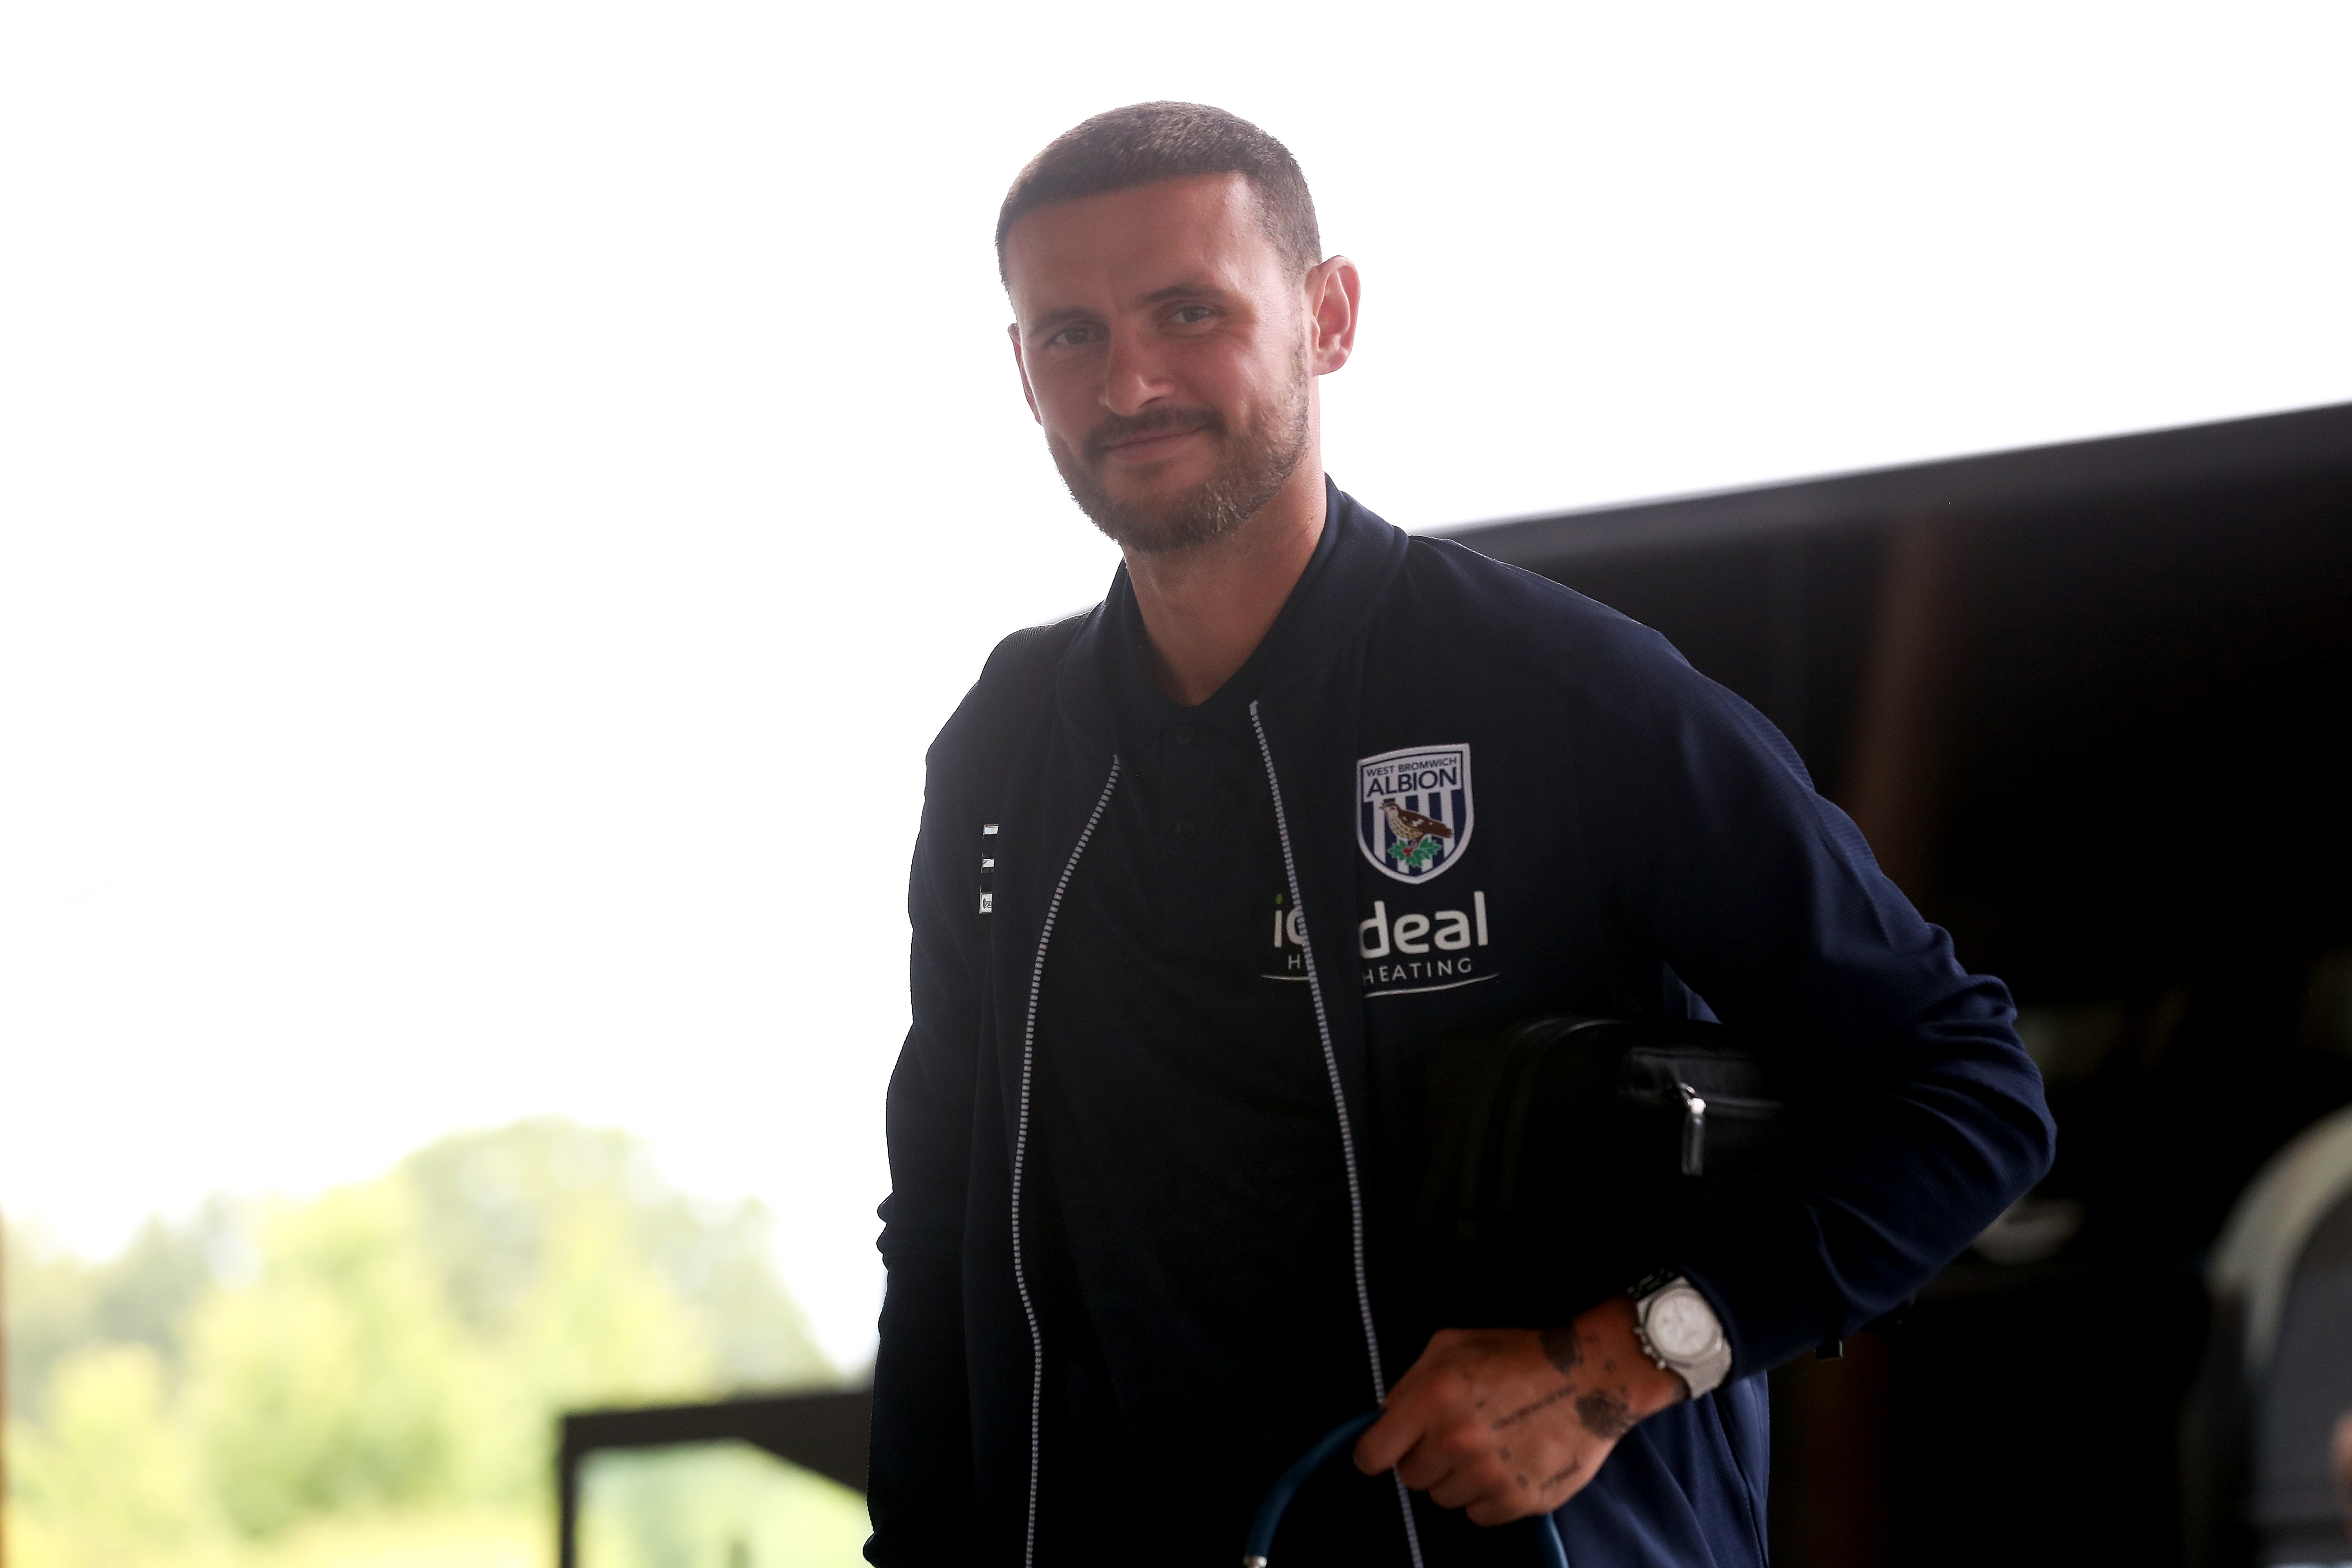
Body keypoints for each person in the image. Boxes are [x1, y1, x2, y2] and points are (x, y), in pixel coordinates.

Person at [868, 102, 2055, 1567]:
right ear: (1021, 371)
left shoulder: (1561, 695)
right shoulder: (1006, 742)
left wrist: (1624, 1360)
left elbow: (1967, 1092)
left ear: (1329, 316)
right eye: (1070, 334)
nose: (1131, 380)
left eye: (1190, 311)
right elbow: (937, 1229)